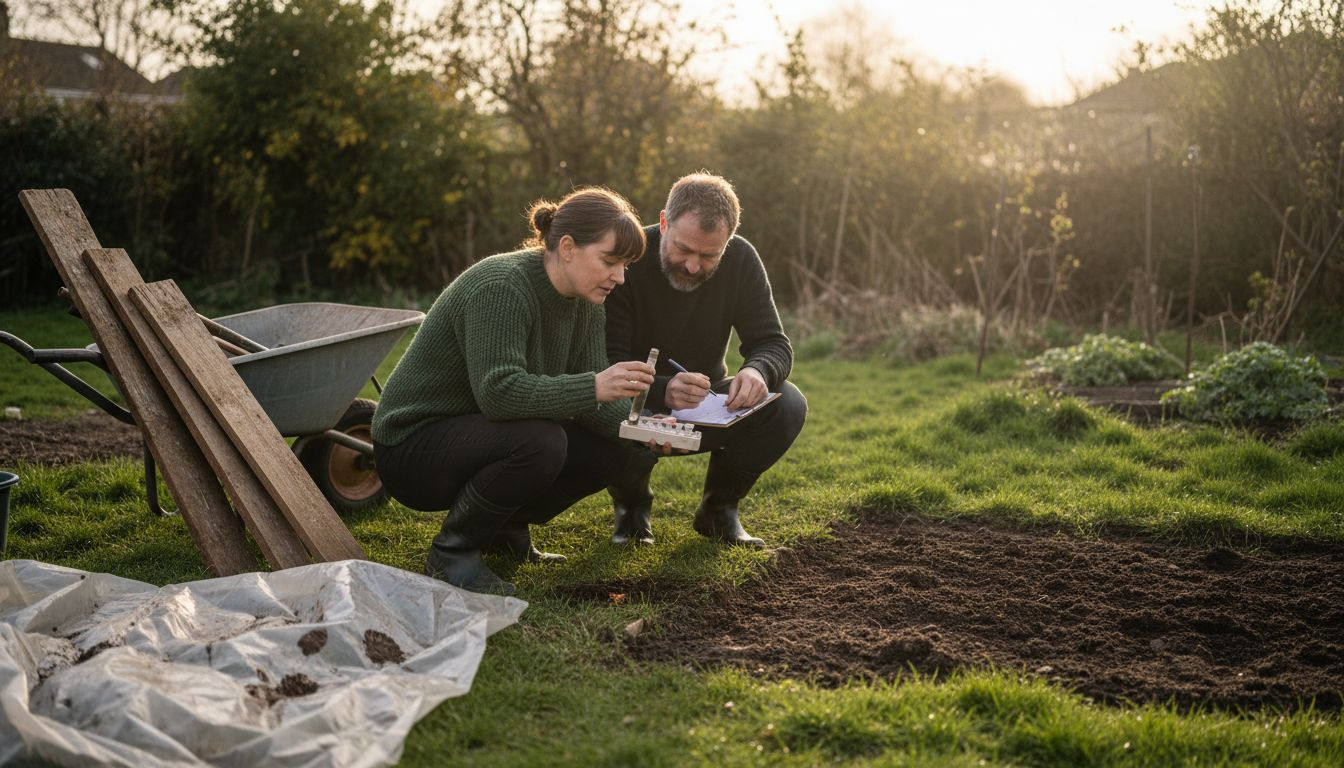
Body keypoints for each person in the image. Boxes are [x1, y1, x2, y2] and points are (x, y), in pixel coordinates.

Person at [372, 187, 657, 595]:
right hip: (412, 446)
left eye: (625, 265)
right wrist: (595, 385)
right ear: (568, 247)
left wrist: (644, 431)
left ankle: (504, 530)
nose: (620, 276)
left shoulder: (588, 300)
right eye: (610, 261)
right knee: (541, 440)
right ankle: (453, 552)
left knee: (618, 445)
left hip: (481, 435)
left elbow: (594, 405)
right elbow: (500, 393)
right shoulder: (502, 286)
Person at [604, 172, 807, 549]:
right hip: (634, 403)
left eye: (709, 255)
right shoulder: (625, 256)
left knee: (788, 403)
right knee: (608, 409)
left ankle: (719, 509)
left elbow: (773, 342)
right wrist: (662, 391)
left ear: (727, 243)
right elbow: (606, 359)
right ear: (664, 222)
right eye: (683, 249)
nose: (693, 266)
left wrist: (757, 371)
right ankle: (632, 507)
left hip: (708, 406)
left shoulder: (742, 259)